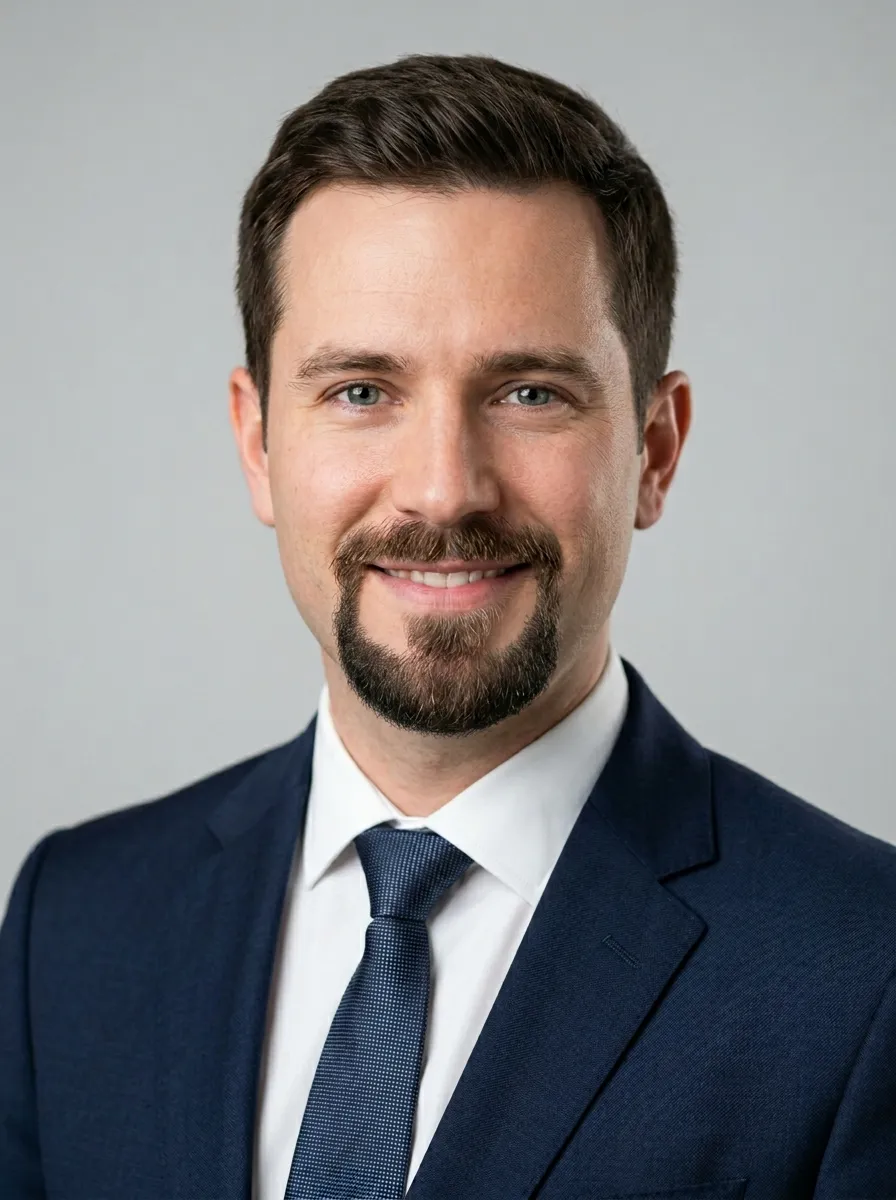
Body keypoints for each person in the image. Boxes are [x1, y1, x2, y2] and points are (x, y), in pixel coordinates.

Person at [1, 51, 894, 1200]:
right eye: (360, 391)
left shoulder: (860, 971)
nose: (441, 491)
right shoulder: (73, 927)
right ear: (257, 442)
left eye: (529, 392)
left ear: (654, 451)